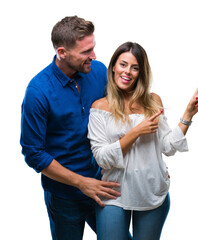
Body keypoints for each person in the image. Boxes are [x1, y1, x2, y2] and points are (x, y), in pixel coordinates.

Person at [88, 42, 198, 240]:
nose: (128, 72)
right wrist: (135, 132)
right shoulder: (100, 107)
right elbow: (102, 158)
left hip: (152, 191)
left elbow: (167, 147)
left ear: (141, 73)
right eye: (123, 64)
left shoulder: (153, 101)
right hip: (114, 193)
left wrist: (187, 115)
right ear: (113, 67)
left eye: (135, 68)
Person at [20, 15, 122, 240]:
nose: (93, 56)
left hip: (103, 184)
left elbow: (119, 118)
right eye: (86, 52)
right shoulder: (38, 92)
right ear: (62, 52)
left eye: (93, 48)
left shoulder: (97, 71)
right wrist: (81, 183)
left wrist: (148, 165)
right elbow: (33, 154)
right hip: (63, 196)